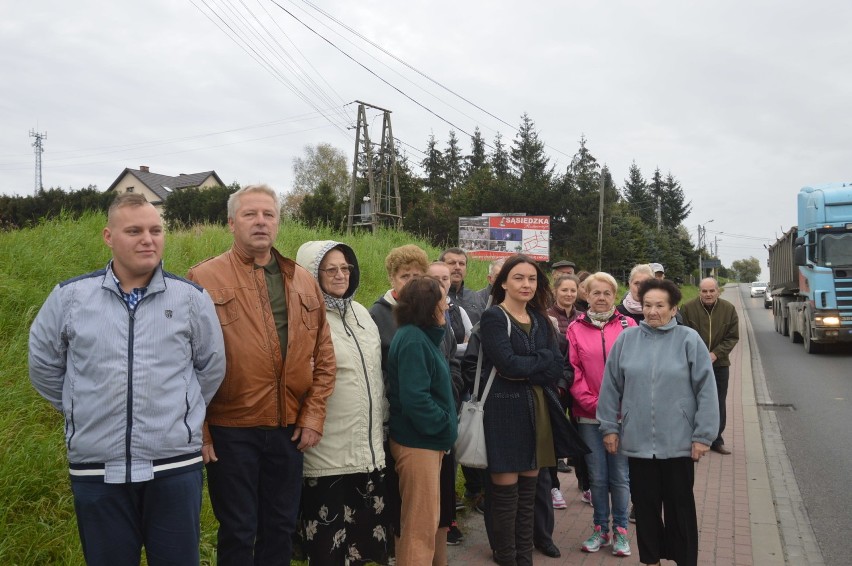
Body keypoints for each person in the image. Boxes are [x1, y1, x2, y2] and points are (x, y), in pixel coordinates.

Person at [28, 192, 226, 566]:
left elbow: (211, 366)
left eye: (156, 230)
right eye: (134, 230)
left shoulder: (190, 299)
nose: (147, 239)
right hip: (97, 469)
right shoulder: (70, 298)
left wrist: (182, 411)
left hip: (173, 466)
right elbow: (43, 365)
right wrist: (80, 405)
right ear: (108, 236)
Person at [187, 184, 336, 565]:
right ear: (231, 223)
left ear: (278, 223)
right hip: (230, 428)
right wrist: (200, 430)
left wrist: (314, 414)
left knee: (281, 526)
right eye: (250, 214)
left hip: (289, 429)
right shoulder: (204, 278)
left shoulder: (303, 280)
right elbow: (183, 363)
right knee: (238, 530)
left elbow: (324, 354)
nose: (260, 222)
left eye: (268, 215)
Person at [598, 278, 719, 566]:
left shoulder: (689, 339)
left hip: (679, 444)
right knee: (647, 509)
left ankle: (684, 559)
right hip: (638, 443)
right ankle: (650, 560)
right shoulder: (627, 340)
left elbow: (706, 389)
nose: (653, 311)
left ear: (674, 308)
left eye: (660, 306)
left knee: (680, 507)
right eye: (647, 305)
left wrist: (703, 436)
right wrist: (610, 427)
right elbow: (611, 387)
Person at [479, 254, 586, 566]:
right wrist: (539, 361)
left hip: (538, 409)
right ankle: (506, 555)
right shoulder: (494, 318)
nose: (526, 284)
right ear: (503, 283)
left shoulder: (540, 319)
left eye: (532, 279)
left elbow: (555, 366)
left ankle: (524, 555)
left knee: (529, 492)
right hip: (503, 411)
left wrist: (531, 364)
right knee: (505, 494)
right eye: (518, 278)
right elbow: (507, 364)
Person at [295, 240, 390, 565]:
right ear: (311, 274)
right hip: (327, 457)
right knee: (328, 552)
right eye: (330, 269)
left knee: (362, 549)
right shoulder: (304, 318)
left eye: (345, 268)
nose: (340, 275)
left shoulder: (362, 313)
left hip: (369, 455)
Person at [387, 276, 458, 565]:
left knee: (428, 523)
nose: (448, 305)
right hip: (418, 445)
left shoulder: (419, 335)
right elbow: (416, 399)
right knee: (419, 528)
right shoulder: (414, 340)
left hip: (427, 443)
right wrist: (443, 423)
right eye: (443, 300)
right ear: (430, 307)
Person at [568, 272, 637, 557]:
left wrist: (616, 406)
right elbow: (574, 371)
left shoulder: (629, 325)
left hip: (623, 416)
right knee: (597, 477)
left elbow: (637, 369)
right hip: (589, 415)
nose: (601, 298)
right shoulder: (575, 328)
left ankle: (621, 531)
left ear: (614, 295)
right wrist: (597, 404)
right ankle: (600, 529)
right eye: (595, 293)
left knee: (620, 476)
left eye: (607, 293)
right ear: (586, 295)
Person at [679, 277, 740, 455]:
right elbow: (683, 334)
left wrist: (715, 354)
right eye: (704, 291)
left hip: (719, 364)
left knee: (718, 402)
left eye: (711, 291)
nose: (708, 294)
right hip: (693, 364)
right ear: (699, 291)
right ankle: (692, 438)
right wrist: (698, 355)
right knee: (692, 401)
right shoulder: (688, 308)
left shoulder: (728, 309)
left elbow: (732, 337)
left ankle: (716, 440)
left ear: (718, 291)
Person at [440, 247, 484, 325]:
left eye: (462, 264)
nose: (457, 267)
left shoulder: (476, 297)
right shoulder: (434, 296)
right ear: (441, 266)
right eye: (452, 263)